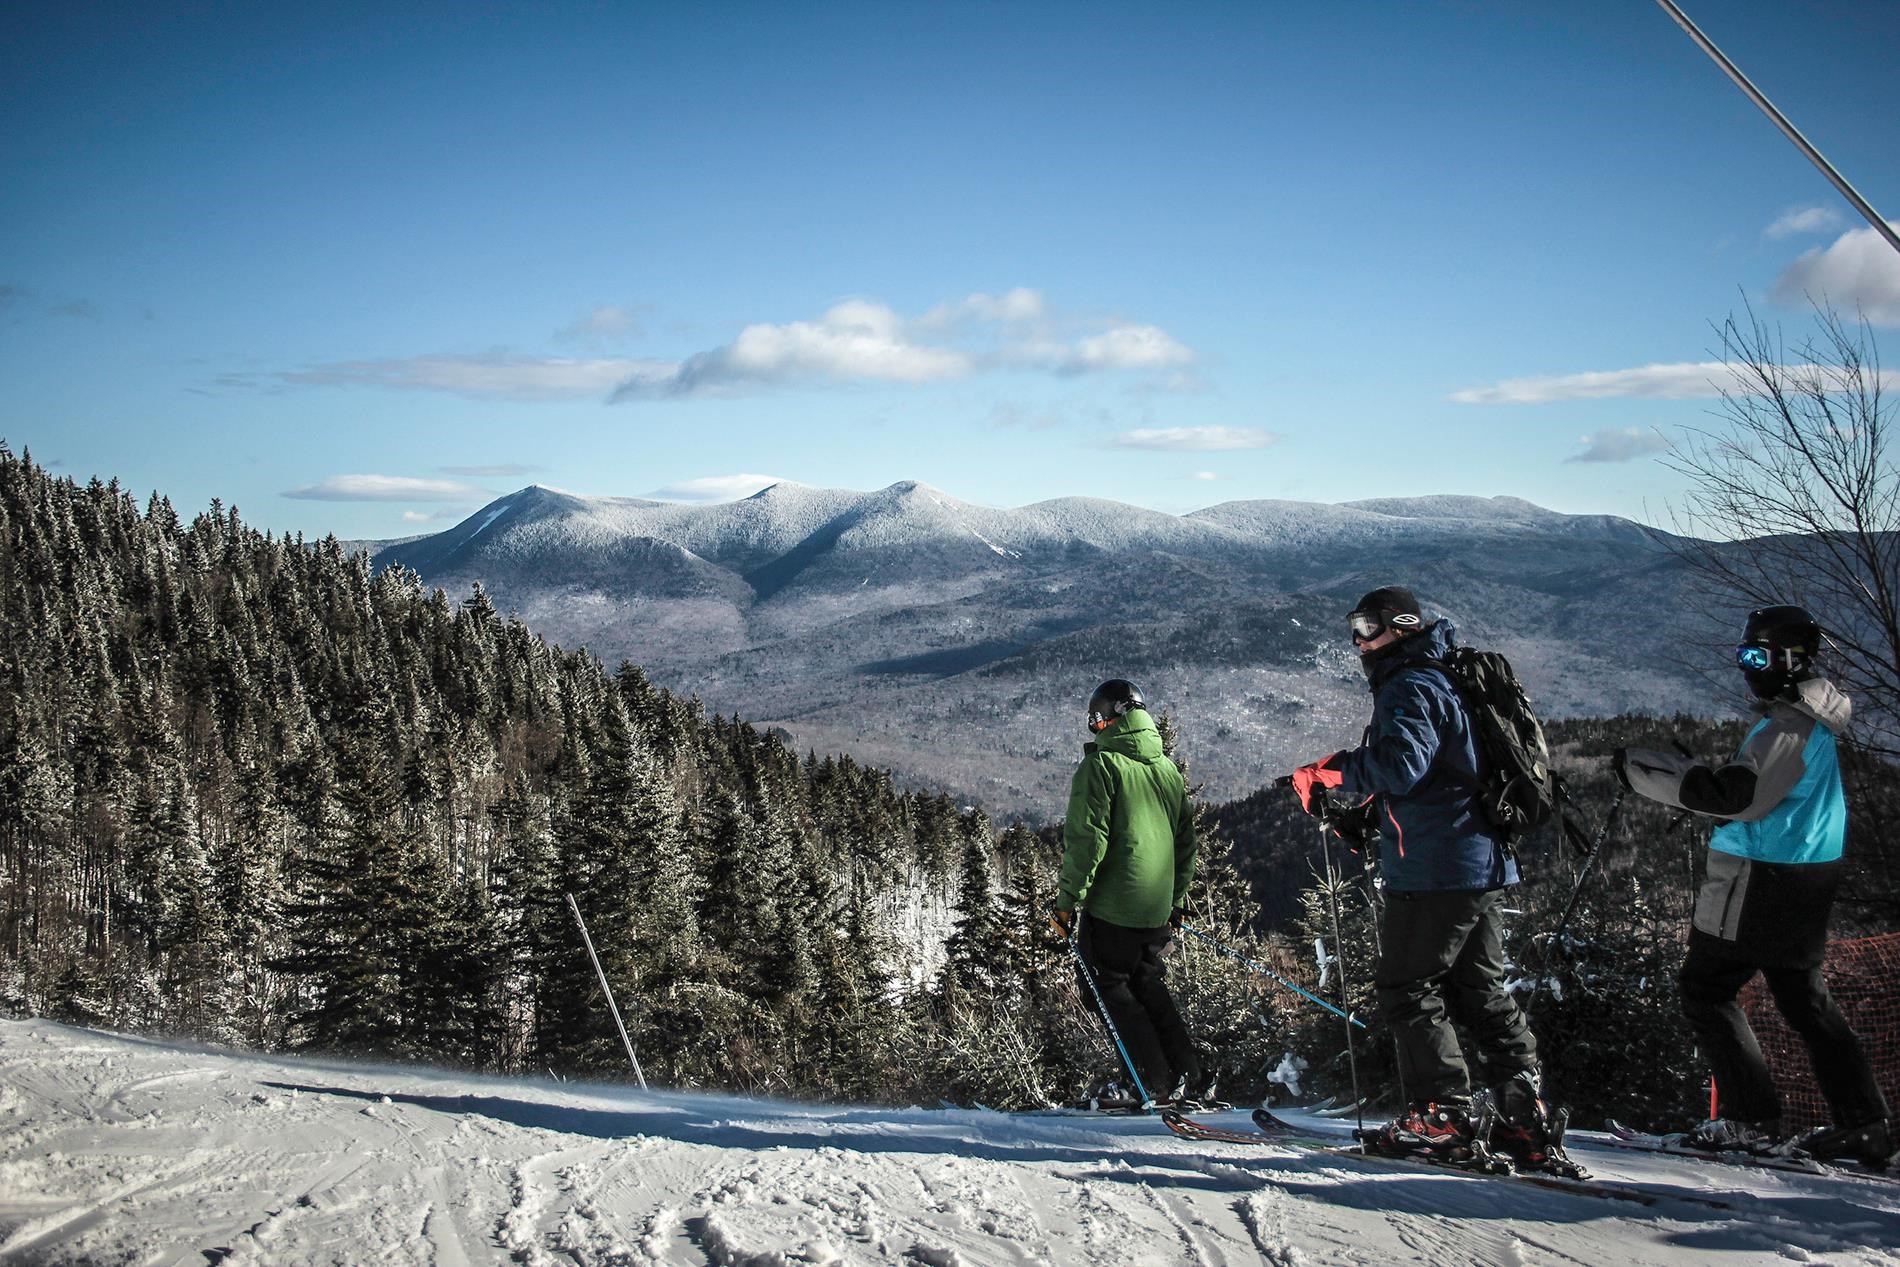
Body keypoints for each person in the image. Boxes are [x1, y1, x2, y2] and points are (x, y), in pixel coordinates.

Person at [1290, 586, 1571, 1172]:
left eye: (1369, 626)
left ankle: (1438, 1116)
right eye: (1355, 626)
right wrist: (1369, 817)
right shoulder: (1445, 676)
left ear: (1403, 626)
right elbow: (1442, 775)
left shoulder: (1411, 684)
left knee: (1407, 988)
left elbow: (1400, 764)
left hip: (1436, 870)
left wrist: (1332, 771)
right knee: (1478, 990)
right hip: (1481, 862)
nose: (1359, 640)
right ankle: (1525, 1113)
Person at [1614, 604, 1891, 1168]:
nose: (1746, 667)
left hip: (1762, 878)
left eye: (1755, 656)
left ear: (1790, 660)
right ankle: (1865, 1123)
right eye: (1744, 654)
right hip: (1807, 872)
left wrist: (1642, 769)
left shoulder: (1790, 724)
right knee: (1804, 999)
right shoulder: (1807, 719)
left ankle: (1748, 1120)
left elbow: (1735, 796)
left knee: (1706, 988)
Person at [1052, 678, 1204, 1105]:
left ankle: (1146, 1081)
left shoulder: (1102, 767)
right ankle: (1189, 1076)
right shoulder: (1167, 768)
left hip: (1114, 906)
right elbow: (1186, 842)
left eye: (1095, 723)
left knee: (1108, 989)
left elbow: (1088, 842)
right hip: (1156, 908)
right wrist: (1176, 902)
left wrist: (1066, 904)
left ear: (1105, 719)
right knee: (1147, 984)